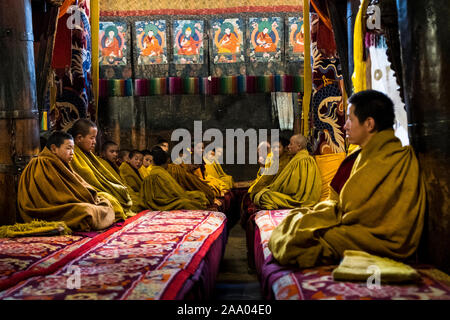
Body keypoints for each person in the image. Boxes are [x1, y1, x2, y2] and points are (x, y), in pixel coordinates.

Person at [269, 90, 426, 269]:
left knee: (295, 242)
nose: (345, 126)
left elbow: (354, 212)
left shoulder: (391, 158)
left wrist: (322, 214)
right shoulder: (365, 154)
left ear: (369, 124)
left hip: (380, 239)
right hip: (356, 227)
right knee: (296, 227)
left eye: (350, 119)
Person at [17, 131, 115, 231]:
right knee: (86, 211)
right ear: (54, 149)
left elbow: (77, 184)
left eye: (73, 149)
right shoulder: (42, 163)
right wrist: (82, 199)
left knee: (105, 201)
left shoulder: (59, 163)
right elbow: (55, 197)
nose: (72, 152)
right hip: (49, 210)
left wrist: (88, 196)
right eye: (68, 148)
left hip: (67, 204)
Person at [68, 119, 133, 220]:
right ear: (79, 138)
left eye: (95, 138)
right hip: (86, 195)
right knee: (111, 202)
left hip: (96, 193)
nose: (94, 142)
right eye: (92, 138)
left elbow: (102, 177)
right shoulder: (72, 155)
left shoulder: (87, 154)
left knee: (121, 193)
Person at [253, 134, 322, 209]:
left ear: (299, 146)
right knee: (263, 194)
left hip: (298, 199)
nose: (288, 146)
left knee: (264, 196)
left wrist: (275, 188)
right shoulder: (299, 158)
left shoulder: (303, 160)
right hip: (301, 197)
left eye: (291, 144)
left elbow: (292, 187)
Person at [140, 147, 209, 210]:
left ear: (152, 161)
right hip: (164, 202)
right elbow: (175, 192)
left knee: (198, 195)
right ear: (167, 161)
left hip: (163, 199)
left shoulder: (159, 172)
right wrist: (184, 196)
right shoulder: (161, 173)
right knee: (188, 201)